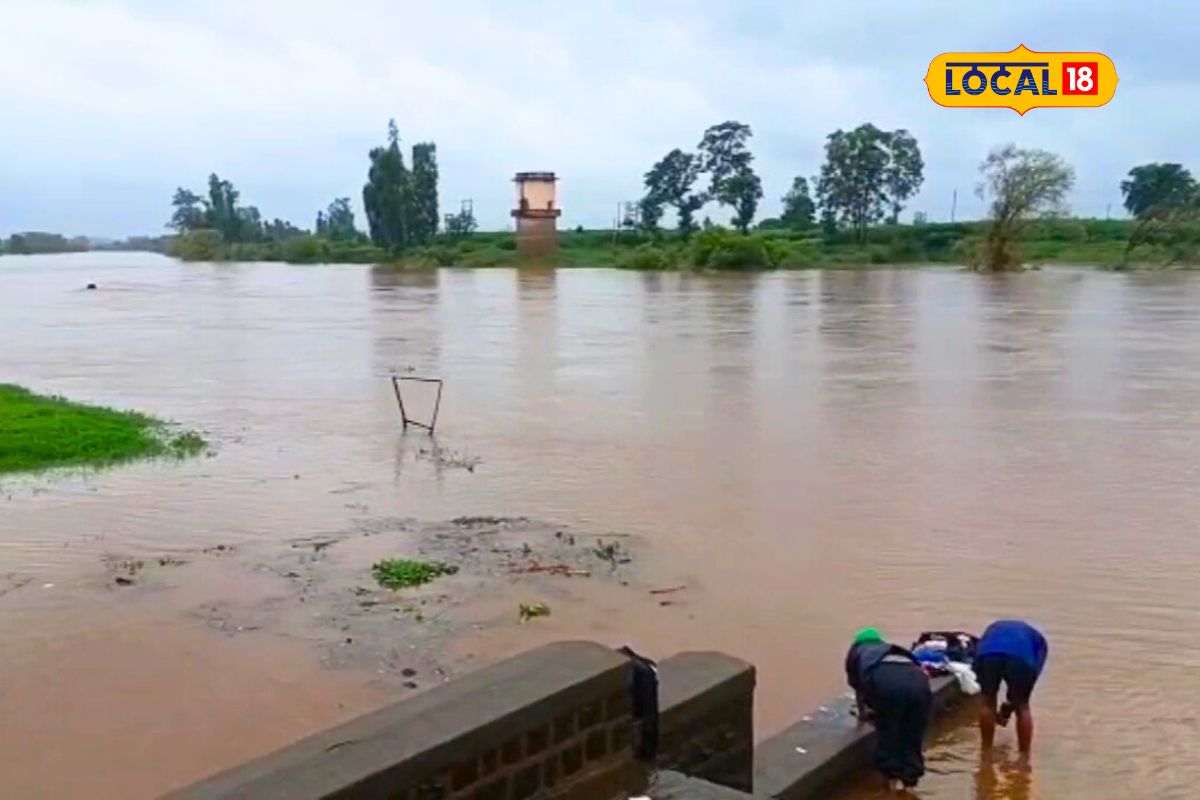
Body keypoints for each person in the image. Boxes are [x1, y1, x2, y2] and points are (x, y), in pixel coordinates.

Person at [845, 627, 933, 792]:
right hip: (919, 683)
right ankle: (910, 782)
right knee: (913, 733)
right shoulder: (891, 649)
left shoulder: (856, 651)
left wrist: (864, 713)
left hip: (887, 683)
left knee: (888, 732)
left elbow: (858, 686)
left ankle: (891, 781)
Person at [974, 619, 1048, 756]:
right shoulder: (1040, 644)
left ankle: (986, 751)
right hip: (1021, 658)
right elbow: (1029, 681)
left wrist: (1007, 706)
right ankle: (1024, 757)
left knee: (987, 702)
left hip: (987, 654)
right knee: (1023, 707)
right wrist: (1013, 704)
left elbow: (977, 660)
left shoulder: (992, 630)